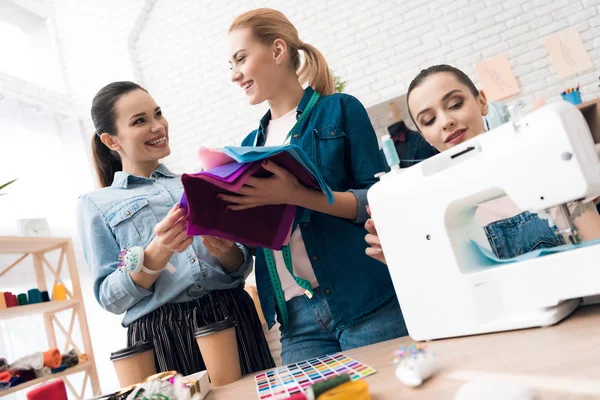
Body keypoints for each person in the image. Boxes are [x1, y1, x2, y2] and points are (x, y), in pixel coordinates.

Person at [224, 8, 407, 364]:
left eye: (240, 59)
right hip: (297, 322)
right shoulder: (247, 146)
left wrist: (298, 196)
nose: (234, 75)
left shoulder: (339, 110)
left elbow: (376, 199)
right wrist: (222, 239)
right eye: (230, 65)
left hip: (365, 302)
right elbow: (258, 241)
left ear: (277, 51)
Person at [76, 81, 274, 375]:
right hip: (160, 334)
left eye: (158, 114)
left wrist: (228, 251)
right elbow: (110, 297)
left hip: (232, 313)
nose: (158, 126)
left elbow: (239, 265)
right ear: (111, 141)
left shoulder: (199, 182)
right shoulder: (95, 204)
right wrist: (156, 254)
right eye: (140, 121)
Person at [365, 64, 600, 265]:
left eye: (455, 104)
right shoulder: (432, 205)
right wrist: (402, 259)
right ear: (425, 136)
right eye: (429, 120)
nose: (446, 122)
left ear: (482, 102)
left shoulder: (538, 162)